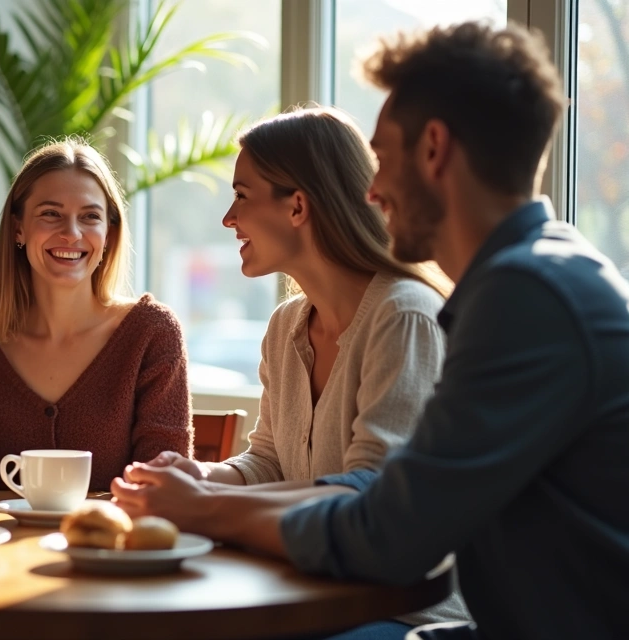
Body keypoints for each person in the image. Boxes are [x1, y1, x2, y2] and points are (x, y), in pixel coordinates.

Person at [113, 21, 629, 639]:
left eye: (383, 157)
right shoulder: (533, 278)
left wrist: (207, 510)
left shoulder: (525, 299)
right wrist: (206, 495)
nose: (373, 189)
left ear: (434, 149)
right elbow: (393, 507)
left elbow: (389, 534)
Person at [135, 106, 466, 635]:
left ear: (297, 207)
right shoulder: (285, 326)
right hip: (305, 591)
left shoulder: (403, 314)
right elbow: (269, 461)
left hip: (403, 615)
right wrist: (204, 475)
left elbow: (370, 490)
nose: (228, 218)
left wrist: (203, 503)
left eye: (242, 195)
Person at [0, 139, 191, 491]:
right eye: (51, 214)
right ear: (18, 228)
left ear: (109, 235)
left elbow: (161, 488)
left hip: (110, 544)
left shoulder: (152, 333)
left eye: (90, 217)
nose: (71, 233)